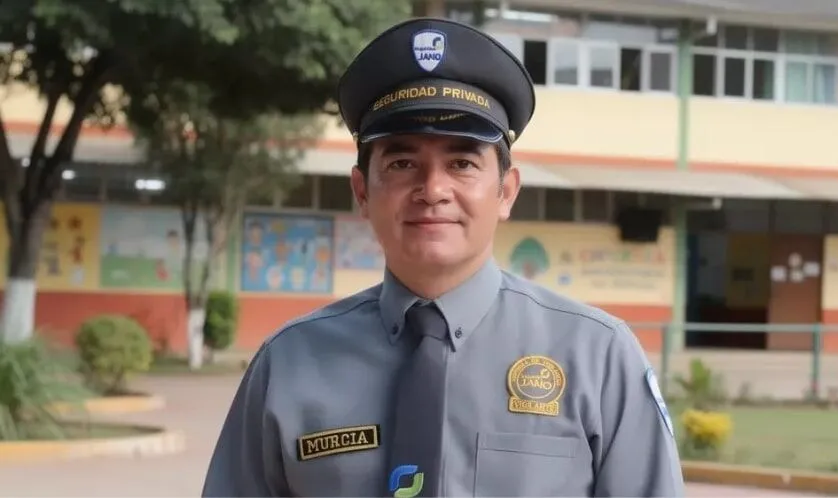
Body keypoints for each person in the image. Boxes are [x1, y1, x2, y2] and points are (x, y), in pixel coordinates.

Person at [201, 16, 684, 498]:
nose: (432, 190)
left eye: (462, 163)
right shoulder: (289, 362)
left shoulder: (597, 357)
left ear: (506, 191)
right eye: (402, 163)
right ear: (362, 191)